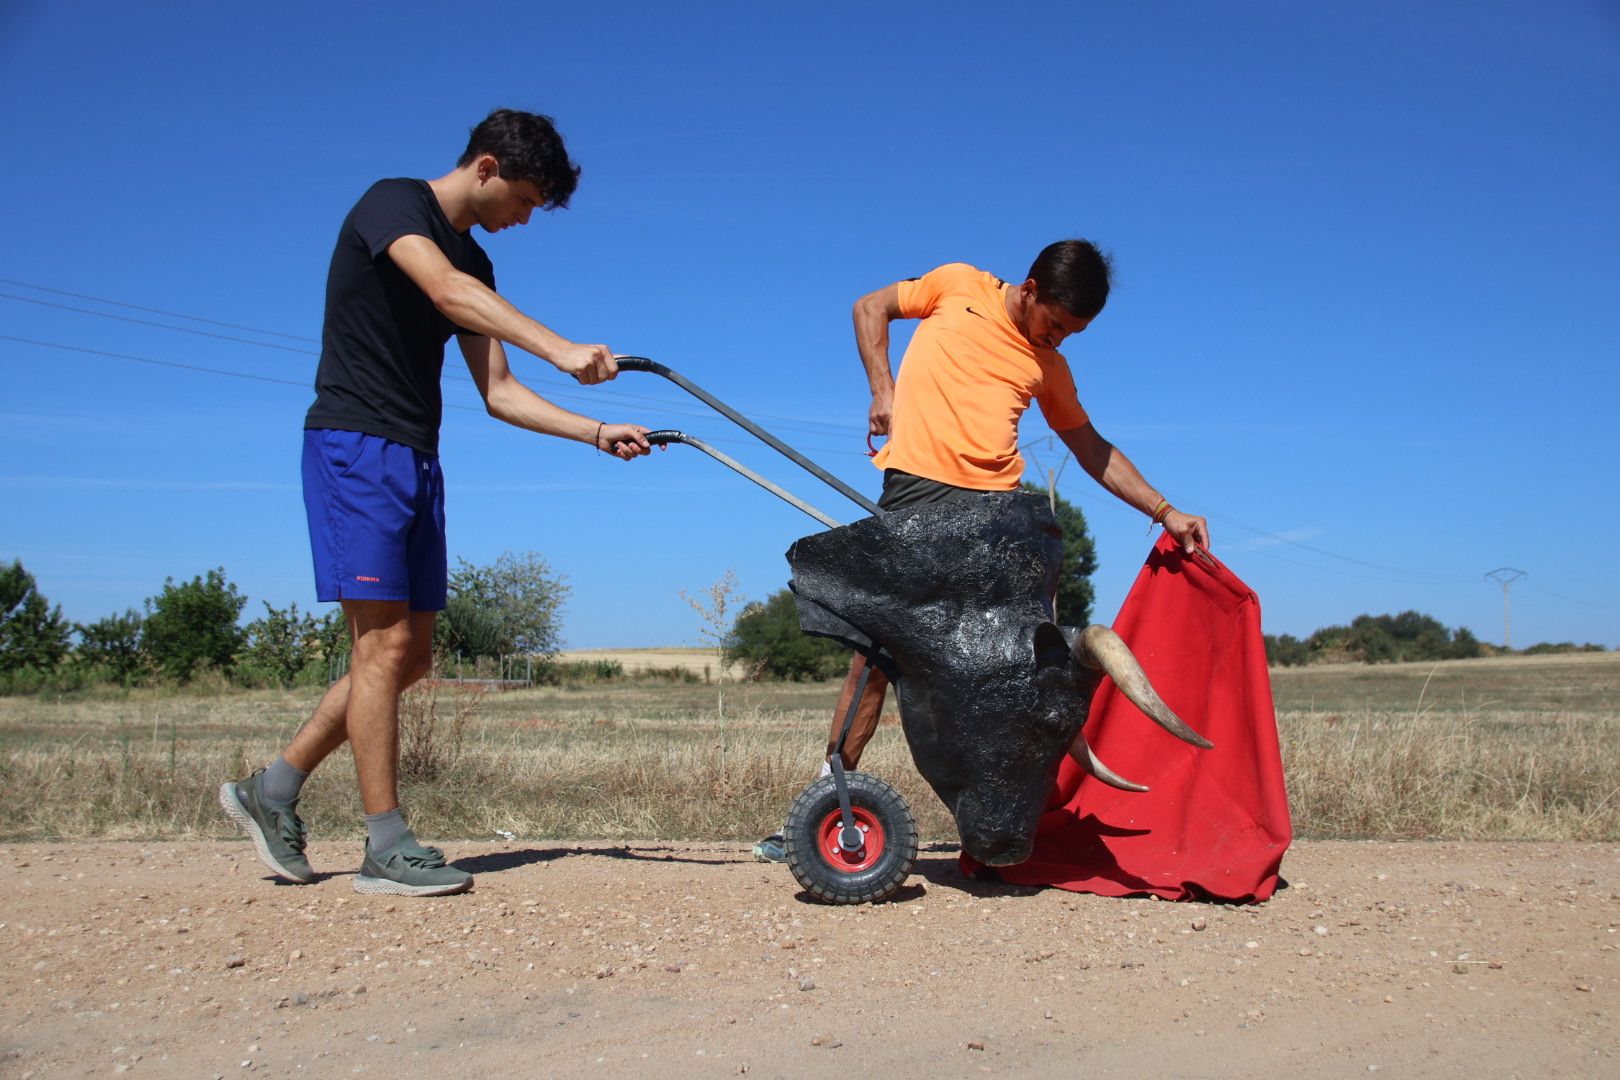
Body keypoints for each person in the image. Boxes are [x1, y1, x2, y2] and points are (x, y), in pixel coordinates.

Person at [221, 109, 652, 897]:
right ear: (485, 168)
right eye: (524, 200)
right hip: (355, 444)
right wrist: (560, 346)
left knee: (410, 657)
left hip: (417, 457)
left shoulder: (477, 265)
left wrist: (595, 431)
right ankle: (386, 844)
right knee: (380, 651)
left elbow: (499, 393)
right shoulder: (393, 204)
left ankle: (272, 790)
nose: (525, 219)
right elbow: (443, 290)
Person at [754, 240, 1209, 863]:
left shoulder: (1050, 366)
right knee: (877, 655)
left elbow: (1092, 449)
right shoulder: (957, 284)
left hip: (998, 524)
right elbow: (869, 308)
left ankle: (1008, 827)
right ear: (1029, 288)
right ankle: (829, 804)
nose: (1059, 341)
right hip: (917, 499)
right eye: (1056, 324)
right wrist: (883, 389)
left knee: (1024, 674)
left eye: (1072, 334)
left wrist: (1165, 509)